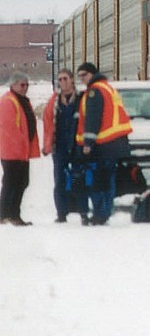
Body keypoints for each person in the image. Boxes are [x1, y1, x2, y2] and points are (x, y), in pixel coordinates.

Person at [75, 62, 133, 226]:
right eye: (79, 76)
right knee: (108, 179)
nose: (82, 79)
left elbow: (93, 119)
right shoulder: (107, 87)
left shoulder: (95, 92)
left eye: (84, 75)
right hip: (115, 143)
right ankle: (105, 212)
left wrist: (88, 143)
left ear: (92, 74)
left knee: (97, 180)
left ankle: (101, 214)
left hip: (104, 143)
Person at [0, 72, 41, 226]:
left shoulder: (22, 101)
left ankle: (13, 214)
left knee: (22, 182)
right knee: (12, 183)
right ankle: (5, 214)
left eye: (26, 85)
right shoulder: (8, 101)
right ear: (13, 85)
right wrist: (19, 148)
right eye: (22, 85)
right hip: (13, 153)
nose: (25, 88)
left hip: (21, 152)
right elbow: (10, 129)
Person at [42, 69, 83, 223]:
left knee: (80, 178)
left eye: (65, 78)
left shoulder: (81, 99)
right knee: (59, 179)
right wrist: (47, 145)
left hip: (77, 144)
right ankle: (61, 213)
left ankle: (82, 210)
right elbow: (47, 123)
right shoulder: (54, 101)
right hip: (60, 146)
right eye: (60, 79)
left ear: (72, 80)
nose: (63, 82)